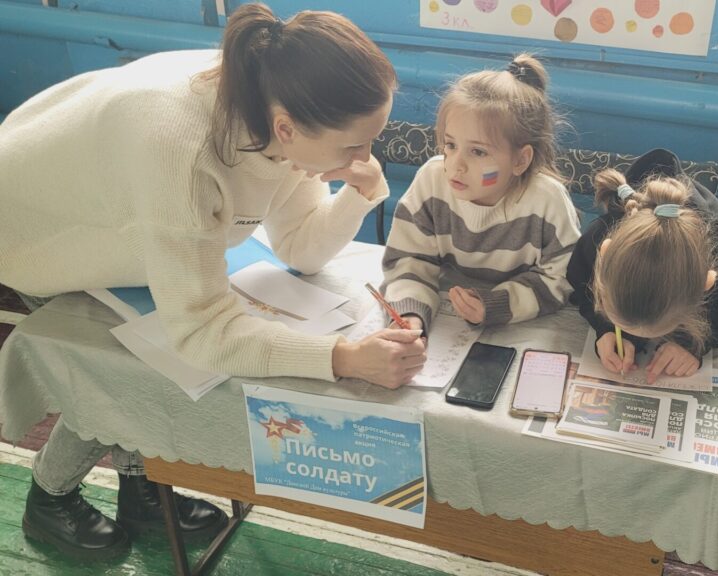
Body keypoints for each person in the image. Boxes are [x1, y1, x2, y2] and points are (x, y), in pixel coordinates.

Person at [0, 3, 427, 560]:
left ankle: (143, 493)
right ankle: (49, 498)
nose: (365, 156)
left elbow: (300, 247)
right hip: (39, 227)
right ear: (287, 128)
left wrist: (360, 190)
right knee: (115, 371)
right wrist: (343, 358)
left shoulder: (279, 104)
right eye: (353, 147)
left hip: (125, 209)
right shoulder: (185, 149)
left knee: (147, 358)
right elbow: (202, 331)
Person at [380, 55, 580, 333]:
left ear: (520, 160)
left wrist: (497, 305)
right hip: (446, 323)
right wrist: (410, 313)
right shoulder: (432, 181)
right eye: (450, 145)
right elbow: (408, 261)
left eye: (477, 151)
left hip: (522, 325)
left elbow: (561, 277)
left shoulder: (547, 200)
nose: (456, 165)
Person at [565, 149, 718, 383]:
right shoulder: (596, 239)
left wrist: (691, 344)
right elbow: (581, 285)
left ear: (707, 284)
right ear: (604, 252)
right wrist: (606, 329)